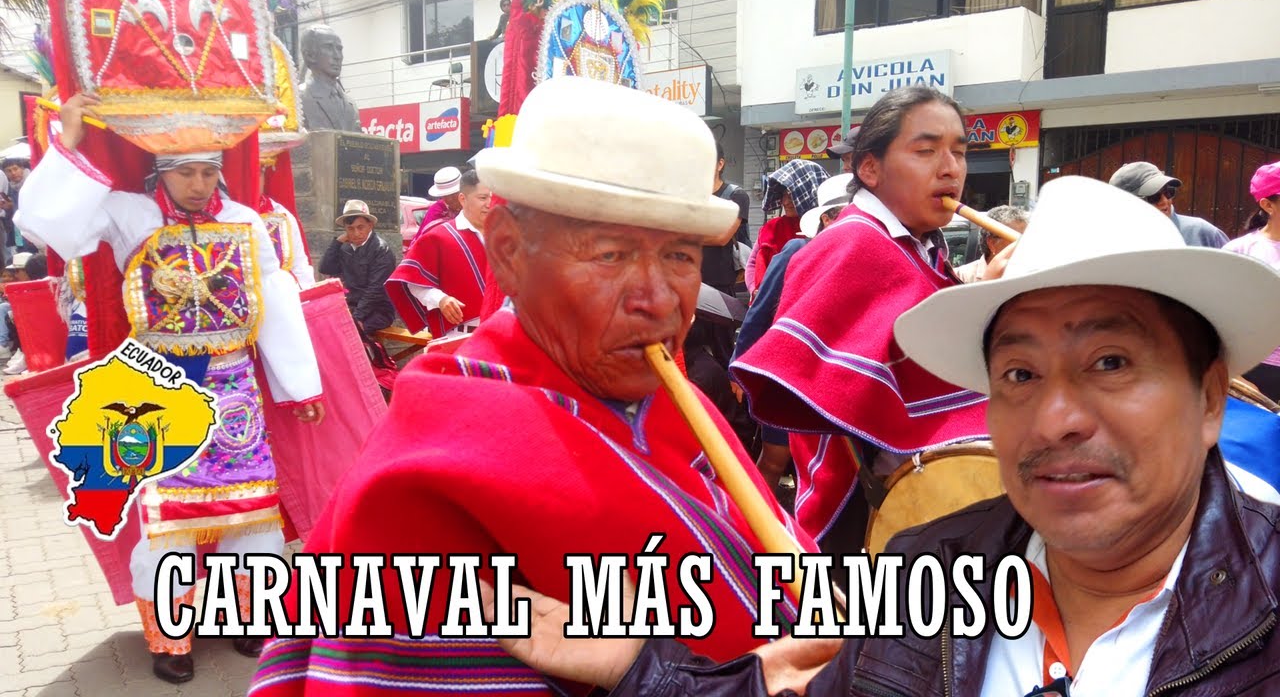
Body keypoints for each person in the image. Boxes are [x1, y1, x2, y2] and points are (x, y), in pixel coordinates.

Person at [485, 175, 1280, 696]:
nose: (1056, 418)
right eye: (1019, 375)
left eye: (1110, 362)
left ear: (1210, 398)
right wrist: (639, 668)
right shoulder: (922, 575)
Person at [249, 76, 814, 696]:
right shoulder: (436, 473)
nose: (658, 300)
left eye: (680, 257)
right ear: (510, 252)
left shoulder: (668, 400)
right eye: (609, 254)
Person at [17, 93, 326, 684]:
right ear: (162, 170)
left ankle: (249, 618)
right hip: (160, 387)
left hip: (235, 382)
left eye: (209, 171)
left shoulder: (243, 222)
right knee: (167, 520)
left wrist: (298, 385)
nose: (198, 183)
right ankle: (171, 638)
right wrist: (72, 141)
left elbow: (275, 298)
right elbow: (52, 225)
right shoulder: (131, 214)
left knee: (252, 514)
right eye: (186, 171)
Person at [732, 86, 989, 551]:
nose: (951, 167)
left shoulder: (919, 243)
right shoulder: (854, 243)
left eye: (959, 151)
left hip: (913, 494)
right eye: (927, 150)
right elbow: (839, 381)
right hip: (866, 502)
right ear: (869, 168)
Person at [733, 173, 852, 496]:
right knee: (775, 459)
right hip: (788, 372)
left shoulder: (864, 255)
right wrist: (739, 367)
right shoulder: (797, 251)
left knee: (821, 468)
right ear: (826, 219)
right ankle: (756, 529)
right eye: (846, 215)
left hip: (834, 378)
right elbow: (759, 313)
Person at [386, 169, 491, 337]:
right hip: (460, 334)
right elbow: (414, 281)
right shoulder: (439, 236)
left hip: (501, 335)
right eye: (482, 198)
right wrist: (440, 300)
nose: (489, 204)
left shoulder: (503, 236)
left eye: (492, 197)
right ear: (463, 199)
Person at [1224, 160, 1280, 400]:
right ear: (1268, 204)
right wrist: (1235, 376)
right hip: (1257, 368)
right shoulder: (1240, 251)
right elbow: (1218, 317)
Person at [744, 158, 827, 295]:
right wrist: (754, 290)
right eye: (783, 195)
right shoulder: (772, 228)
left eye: (792, 195)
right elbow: (752, 264)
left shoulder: (823, 230)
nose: (786, 202)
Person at [319, 199, 398, 335]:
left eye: (360, 227)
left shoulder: (381, 249)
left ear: (370, 225)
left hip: (378, 310)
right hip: (351, 307)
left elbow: (375, 290)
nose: (356, 233)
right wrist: (337, 242)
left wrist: (357, 317)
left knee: (347, 331)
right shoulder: (345, 248)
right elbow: (326, 268)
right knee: (322, 325)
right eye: (350, 228)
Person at [1109, 161, 1228, 248]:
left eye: (1168, 192)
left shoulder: (1203, 233)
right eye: (1153, 197)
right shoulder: (1109, 244)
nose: (1165, 201)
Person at [705, 143, 752, 297]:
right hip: (687, 278)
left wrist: (683, 237)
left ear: (720, 164)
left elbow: (721, 238)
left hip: (720, 282)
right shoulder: (688, 197)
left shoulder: (736, 196)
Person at [297, 25, 361, 132]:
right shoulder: (299, 99)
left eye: (339, 49)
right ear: (309, 55)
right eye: (328, 48)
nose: (337, 56)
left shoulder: (350, 104)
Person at [955, 204, 1029, 283]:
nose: (1025, 246)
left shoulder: (1030, 275)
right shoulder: (961, 277)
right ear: (992, 243)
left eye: (1027, 239)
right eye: (1016, 239)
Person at [412, 166, 465, 243]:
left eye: (453, 195)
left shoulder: (472, 207)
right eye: (445, 195)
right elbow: (424, 241)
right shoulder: (435, 211)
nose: (449, 199)